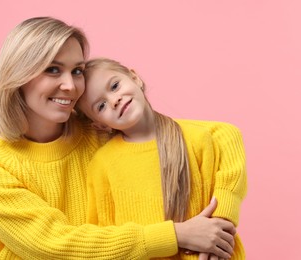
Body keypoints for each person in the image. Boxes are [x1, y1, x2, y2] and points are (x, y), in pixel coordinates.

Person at [0, 17, 238, 259]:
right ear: (18, 76)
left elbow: (216, 134)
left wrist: (221, 216)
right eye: (53, 69)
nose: (70, 86)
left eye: (77, 70)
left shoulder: (98, 129)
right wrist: (175, 236)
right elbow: (50, 244)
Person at [76, 58, 248, 259]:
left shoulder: (198, 140)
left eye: (115, 86)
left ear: (135, 77)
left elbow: (218, 208)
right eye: (101, 106)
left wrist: (222, 223)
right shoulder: (102, 165)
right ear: (99, 125)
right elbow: (105, 234)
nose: (114, 100)